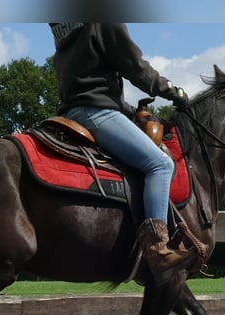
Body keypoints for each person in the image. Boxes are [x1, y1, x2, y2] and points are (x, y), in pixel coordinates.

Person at [49, 22, 193, 286]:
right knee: (160, 164)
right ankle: (159, 250)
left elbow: (86, 77)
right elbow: (135, 66)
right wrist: (173, 91)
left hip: (72, 111)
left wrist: (127, 109)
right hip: (96, 112)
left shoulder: (64, 24)